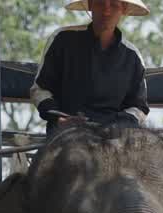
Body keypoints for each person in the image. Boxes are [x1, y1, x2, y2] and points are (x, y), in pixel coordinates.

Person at [30, 0, 150, 136]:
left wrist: (117, 125)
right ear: (90, 5)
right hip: (66, 135)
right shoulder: (63, 39)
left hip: (113, 139)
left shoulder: (132, 56)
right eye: (100, 3)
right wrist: (59, 119)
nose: (106, 11)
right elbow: (40, 89)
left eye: (114, 5)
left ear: (124, 8)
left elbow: (139, 107)